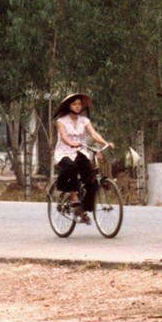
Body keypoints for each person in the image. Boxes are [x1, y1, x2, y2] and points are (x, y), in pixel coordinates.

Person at [53, 93, 113, 225]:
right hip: (64, 152)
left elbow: (94, 134)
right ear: (69, 106)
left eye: (79, 104)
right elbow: (63, 136)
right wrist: (71, 143)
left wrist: (106, 143)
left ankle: (84, 209)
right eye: (74, 104)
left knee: (92, 179)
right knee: (72, 167)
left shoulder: (84, 121)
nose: (77, 106)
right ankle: (73, 195)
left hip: (80, 151)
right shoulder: (61, 121)